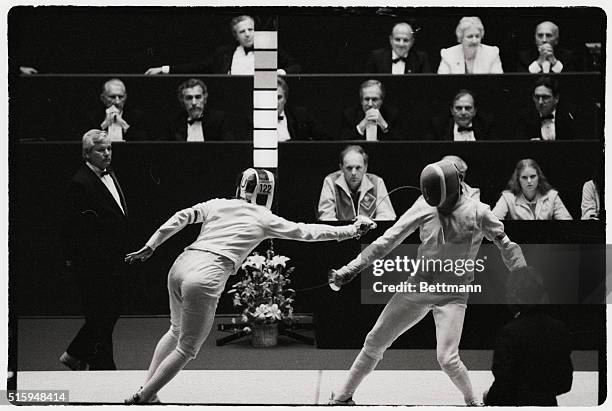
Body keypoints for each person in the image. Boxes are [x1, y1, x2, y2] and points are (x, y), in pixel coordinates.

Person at [123, 168, 376, 403]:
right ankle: (145, 396)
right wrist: (352, 230)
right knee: (187, 348)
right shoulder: (264, 217)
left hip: (180, 265)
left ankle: (147, 390)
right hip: (207, 274)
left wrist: (152, 244)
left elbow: (182, 217)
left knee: (175, 330)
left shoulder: (217, 204)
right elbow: (307, 232)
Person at [328, 159, 530, 406]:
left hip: (453, 293)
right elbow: (389, 239)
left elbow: (507, 246)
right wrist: (352, 268)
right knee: (375, 340)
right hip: (419, 284)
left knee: (447, 358)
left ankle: (474, 402)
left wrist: (524, 282)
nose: (436, 203)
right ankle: (342, 397)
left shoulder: (479, 211)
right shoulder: (424, 204)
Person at [59, 129, 129, 370]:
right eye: (101, 150)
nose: (108, 153)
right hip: (92, 264)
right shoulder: (80, 183)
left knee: (107, 313)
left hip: (113, 260)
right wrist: (78, 262)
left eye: (109, 148)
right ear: (87, 154)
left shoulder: (111, 175)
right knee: (100, 315)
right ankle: (95, 363)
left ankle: (82, 357)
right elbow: (71, 229)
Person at [144, 15, 300, 75]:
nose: (247, 34)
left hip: (261, 102)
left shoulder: (267, 49)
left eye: (250, 30)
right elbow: (199, 66)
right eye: (242, 31)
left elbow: (295, 66)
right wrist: (164, 69)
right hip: (231, 101)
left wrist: (280, 72)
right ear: (236, 36)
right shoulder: (224, 53)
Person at [484, 303, 573, 405]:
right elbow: (565, 382)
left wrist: (489, 398)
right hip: (546, 402)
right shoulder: (559, 328)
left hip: (515, 403)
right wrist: (543, 393)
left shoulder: (508, 333)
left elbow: (503, 380)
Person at [318, 145, 396, 221]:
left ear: (365, 168)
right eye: (349, 168)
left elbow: (387, 216)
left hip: (371, 232)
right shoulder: (330, 181)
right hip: (341, 233)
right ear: (341, 168)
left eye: (358, 168)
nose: (354, 173)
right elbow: (326, 218)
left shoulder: (377, 182)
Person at [492, 158, 572, 220]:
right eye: (524, 177)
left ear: (539, 177)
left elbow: (567, 223)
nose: (529, 181)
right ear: (518, 179)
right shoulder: (507, 197)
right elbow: (492, 223)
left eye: (533, 176)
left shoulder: (552, 196)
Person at [164, 78, 235, 141]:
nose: (194, 103)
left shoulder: (219, 120)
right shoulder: (174, 123)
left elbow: (230, 149)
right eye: (189, 98)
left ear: (204, 99)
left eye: (198, 97)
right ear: (182, 101)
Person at [84, 78, 150, 141]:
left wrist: (124, 125)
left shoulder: (137, 116)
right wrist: (103, 125)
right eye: (112, 97)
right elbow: (86, 142)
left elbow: (144, 141)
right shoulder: (92, 116)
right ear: (103, 98)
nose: (117, 101)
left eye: (121, 97)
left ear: (126, 97)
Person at [515, 76, 577, 140]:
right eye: (537, 97)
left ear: (556, 98)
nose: (540, 102)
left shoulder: (569, 117)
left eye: (545, 97)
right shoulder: (524, 119)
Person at [339, 80, 404, 141]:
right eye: (367, 99)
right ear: (361, 101)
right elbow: (341, 142)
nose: (370, 104)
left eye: (374, 99)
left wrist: (384, 125)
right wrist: (361, 126)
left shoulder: (392, 114)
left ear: (382, 101)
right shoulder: (350, 114)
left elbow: (401, 143)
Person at [438, 16, 503, 74]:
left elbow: (498, 83)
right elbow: (442, 83)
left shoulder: (492, 53)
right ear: (461, 38)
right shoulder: (448, 55)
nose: (474, 41)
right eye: (470, 36)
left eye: (477, 36)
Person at [365, 21, 432, 74]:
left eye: (406, 40)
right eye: (397, 39)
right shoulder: (377, 57)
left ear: (412, 42)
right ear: (391, 40)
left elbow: (427, 85)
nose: (401, 44)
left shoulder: (421, 58)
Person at [277, 77, 331, 141]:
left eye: (279, 97)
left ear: (285, 99)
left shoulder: (300, 115)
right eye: (270, 97)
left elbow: (326, 141)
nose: (275, 102)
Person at [517, 21, 582, 73]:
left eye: (548, 35)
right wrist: (539, 61)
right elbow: (523, 80)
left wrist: (554, 61)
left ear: (556, 40)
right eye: (540, 35)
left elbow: (570, 80)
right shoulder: (524, 57)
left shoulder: (568, 56)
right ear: (535, 39)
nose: (544, 40)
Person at [428, 89, 494, 141]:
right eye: (458, 108)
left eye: (468, 108)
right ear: (452, 111)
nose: (463, 113)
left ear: (475, 111)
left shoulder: (486, 126)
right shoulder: (439, 127)